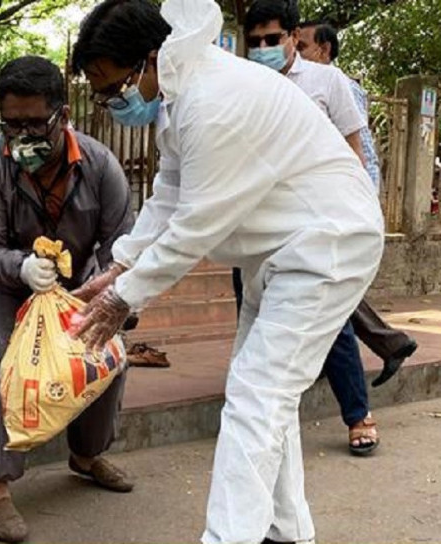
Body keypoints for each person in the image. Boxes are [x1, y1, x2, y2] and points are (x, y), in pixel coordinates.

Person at [70, 0, 383, 542]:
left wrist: (125, 295)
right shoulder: (182, 98)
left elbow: (196, 225)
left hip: (327, 244)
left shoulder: (212, 102)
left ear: (149, 60)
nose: (106, 101)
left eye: (109, 85)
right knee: (266, 396)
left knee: (256, 396)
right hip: (284, 252)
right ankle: (287, 530)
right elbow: (169, 195)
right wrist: (122, 261)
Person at [0, 55, 135, 543]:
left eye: (35, 123)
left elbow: (122, 241)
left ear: (63, 115)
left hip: (79, 281)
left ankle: (87, 454)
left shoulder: (100, 165)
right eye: (12, 124)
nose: (23, 135)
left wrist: (108, 289)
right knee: (1, 359)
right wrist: (21, 267)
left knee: (103, 353)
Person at [247, 1, 418, 455]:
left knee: (335, 322)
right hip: (258, 225)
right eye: (255, 41)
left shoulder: (327, 81)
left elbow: (354, 151)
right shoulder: (246, 85)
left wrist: (350, 216)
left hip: (317, 222)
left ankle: (358, 415)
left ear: (292, 36)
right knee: (251, 313)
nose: (263, 48)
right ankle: (259, 421)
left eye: (273, 39)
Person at [299, 21, 418, 378]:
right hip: (319, 203)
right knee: (324, 283)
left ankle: (385, 346)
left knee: (326, 284)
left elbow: (360, 149)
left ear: (324, 50)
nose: (296, 51)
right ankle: (388, 343)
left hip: (338, 206)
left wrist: (359, 206)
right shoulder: (300, 85)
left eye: (302, 46)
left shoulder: (340, 86)